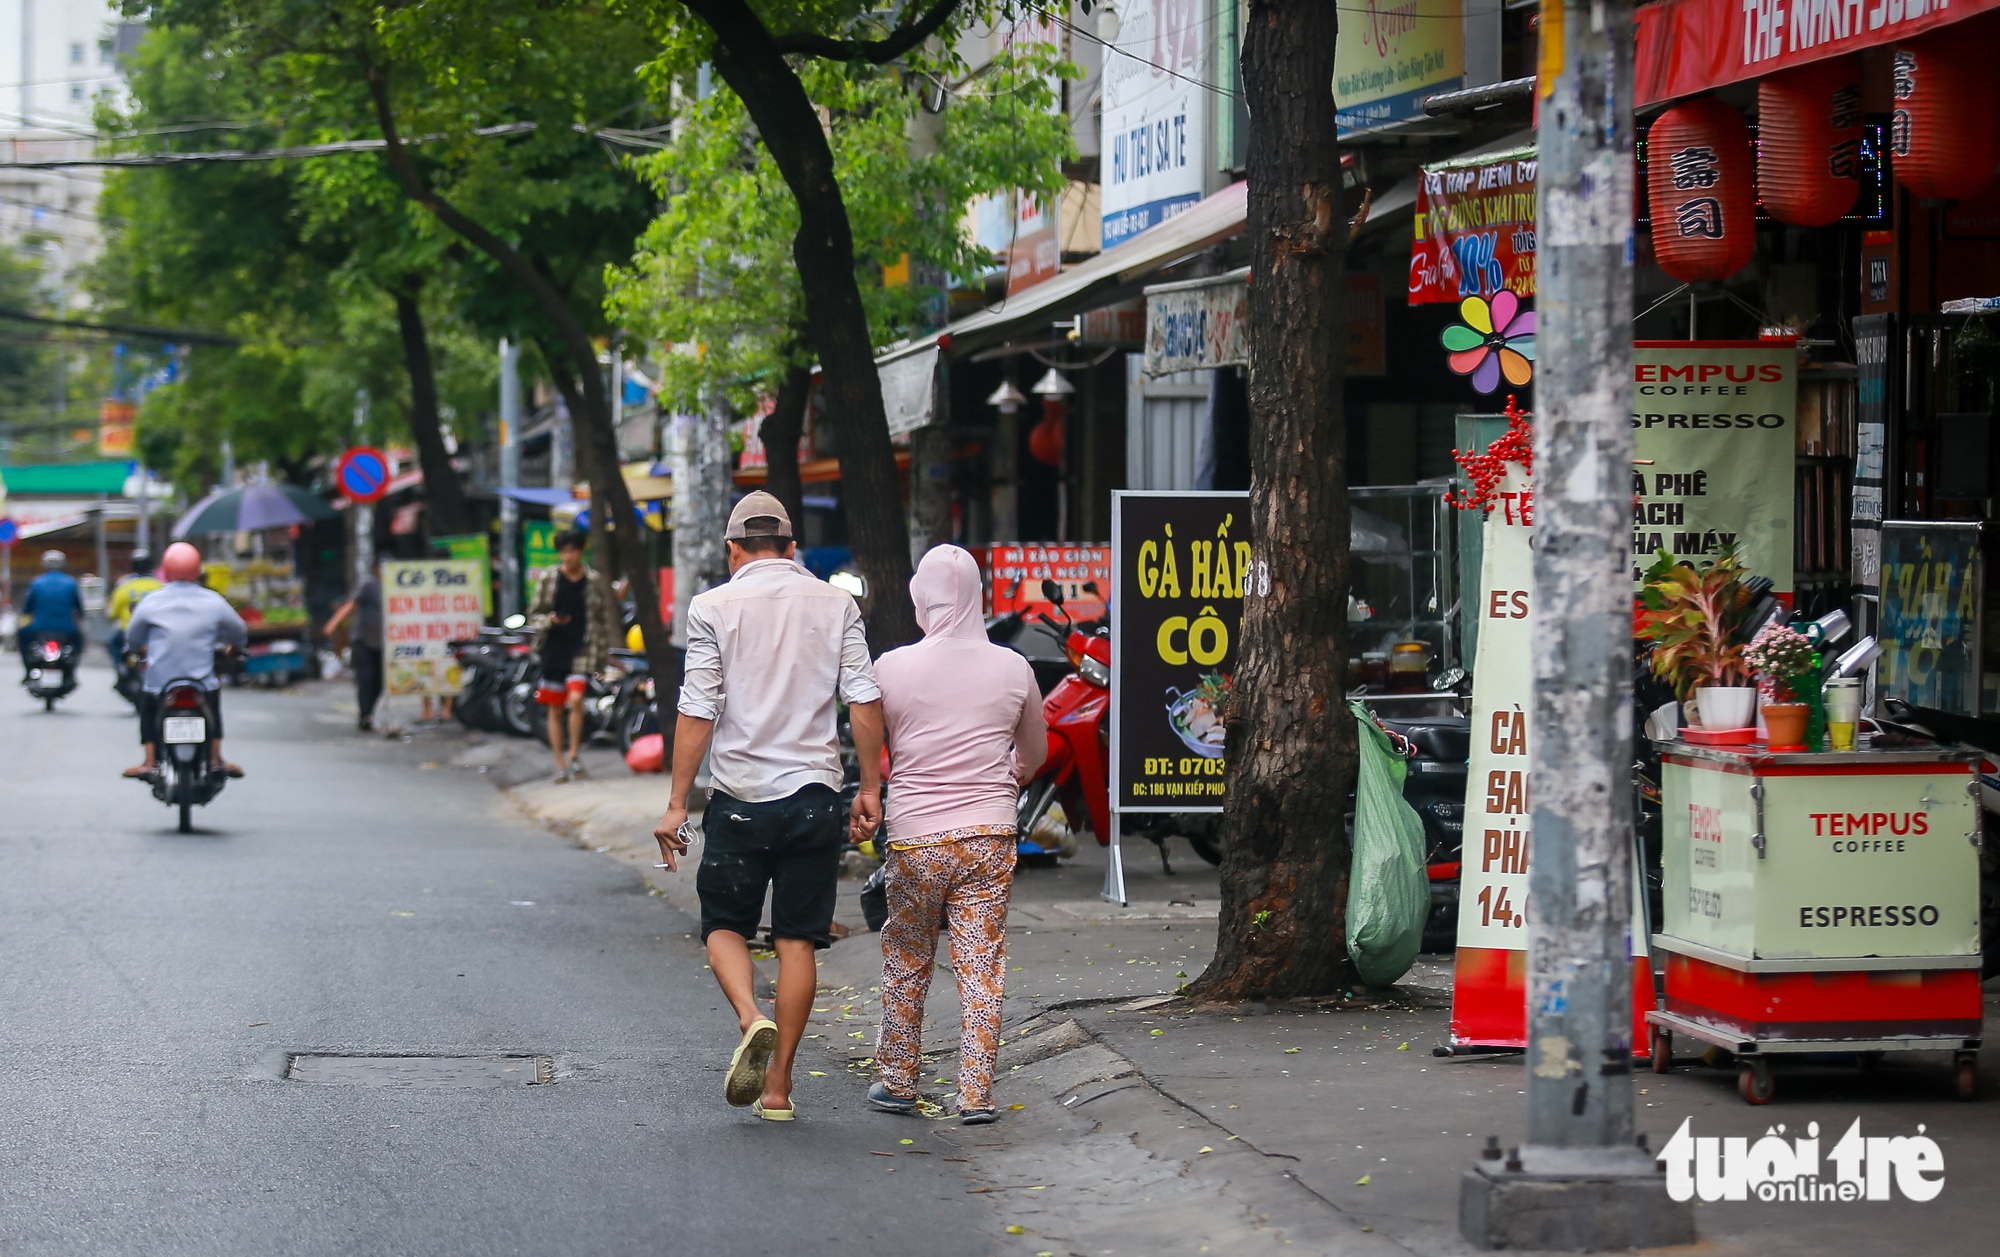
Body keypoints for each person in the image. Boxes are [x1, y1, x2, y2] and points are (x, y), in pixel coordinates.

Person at [652, 490, 884, 1122]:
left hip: (740, 801)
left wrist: (677, 803)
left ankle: (753, 1019)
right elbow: (863, 699)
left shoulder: (712, 607)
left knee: (724, 926)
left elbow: (698, 708)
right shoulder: (837, 604)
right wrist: (868, 786)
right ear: (790, 548)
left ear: (733, 550)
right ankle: (779, 1088)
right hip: (814, 799)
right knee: (797, 940)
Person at [867, 545, 1046, 1124]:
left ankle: (897, 1081)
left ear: (923, 599)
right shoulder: (1014, 667)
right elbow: (1035, 752)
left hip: (915, 837)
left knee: (908, 955)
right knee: (981, 965)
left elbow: (873, 742)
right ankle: (975, 1095)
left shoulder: (891, 667)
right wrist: (1005, 780)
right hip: (989, 835)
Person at [123, 542, 248, 779]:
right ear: (198, 570)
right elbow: (238, 631)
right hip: (200, 681)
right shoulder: (213, 601)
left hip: (160, 681)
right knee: (212, 702)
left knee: (148, 706)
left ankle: (150, 761)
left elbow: (132, 637)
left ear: (166, 571)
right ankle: (214, 759)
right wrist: (235, 648)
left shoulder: (151, 601)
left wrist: (137, 651)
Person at [527, 529, 616, 782]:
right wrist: (550, 620)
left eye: (572, 550)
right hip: (554, 649)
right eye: (564, 551)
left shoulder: (593, 580)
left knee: (576, 699)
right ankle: (560, 763)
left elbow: (600, 618)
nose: (568, 556)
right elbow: (534, 614)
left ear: (580, 551)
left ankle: (574, 753)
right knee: (555, 709)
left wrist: (602, 656)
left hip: (583, 649)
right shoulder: (549, 579)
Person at [322, 566, 384, 732]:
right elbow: (350, 605)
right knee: (365, 679)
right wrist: (332, 624)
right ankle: (365, 715)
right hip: (363, 640)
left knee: (380, 681)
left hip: (385, 642)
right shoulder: (369, 586)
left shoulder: (397, 588)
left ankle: (370, 711)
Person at [19, 550, 84, 683]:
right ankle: (71, 674)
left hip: (39, 629)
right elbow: (79, 608)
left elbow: (27, 608)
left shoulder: (37, 583)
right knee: (79, 642)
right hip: (66, 629)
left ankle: (27, 672)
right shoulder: (71, 583)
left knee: (21, 637)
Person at [106, 548, 163, 662]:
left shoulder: (124, 586)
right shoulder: (160, 586)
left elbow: (112, 613)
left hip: (126, 632)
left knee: (113, 645)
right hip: (154, 632)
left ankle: (121, 668)